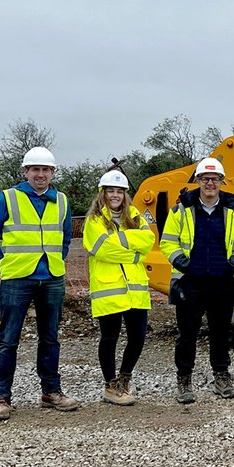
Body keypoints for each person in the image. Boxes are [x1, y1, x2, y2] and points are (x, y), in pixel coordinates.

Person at [0, 146, 77, 420]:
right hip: (17, 280)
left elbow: (65, 237)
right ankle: (1, 397)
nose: (40, 174)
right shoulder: (6, 199)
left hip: (52, 279)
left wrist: (57, 262)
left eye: (45, 170)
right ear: (25, 171)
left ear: (52, 173)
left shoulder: (62, 201)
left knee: (50, 337)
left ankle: (51, 391)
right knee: (8, 339)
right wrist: (5, 267)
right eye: (35, 169)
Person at [160, 156, 234, 404]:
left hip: (222, 281)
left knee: (221, 332)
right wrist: (184, 263)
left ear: (222, 182)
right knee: (187, 334)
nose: (210, 183)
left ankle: (221, 376)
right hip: (191, 282)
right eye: (205, 179)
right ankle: (184, 379)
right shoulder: (181, 209)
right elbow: (167, 242)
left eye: (214, 179)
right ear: (198, 181)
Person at [83, 168, 155, 406]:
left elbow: (148, 241)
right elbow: (102, 249)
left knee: (138, 338)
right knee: (110, 337)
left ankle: (123, 380)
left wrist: (119, 243)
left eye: (119, 191)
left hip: (134, 289)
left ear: (125, 195)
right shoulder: (94, 221)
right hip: (109, 288)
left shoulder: (135, 216)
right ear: (102, 194)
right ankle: (110, 386)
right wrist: (132, 252)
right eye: (110, 191)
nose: (115, 195)